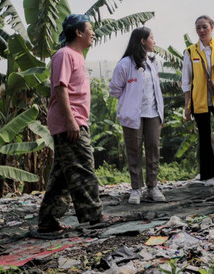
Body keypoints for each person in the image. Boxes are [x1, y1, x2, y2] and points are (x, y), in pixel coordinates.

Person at [37, 14, 110, 234]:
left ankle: (48, 221)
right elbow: (60, 88)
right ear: (78, 32)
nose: (93, 33)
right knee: (83, 167)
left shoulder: (76, 56)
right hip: (69, 121)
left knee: (62, 175)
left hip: (75, 120)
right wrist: (71, 121)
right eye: (90, 29)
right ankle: (94, 215)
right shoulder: (64, 54)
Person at [110, 27, 166, 204]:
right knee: (134, 151)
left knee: (153, 150)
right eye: (152, 38)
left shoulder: (152, 63)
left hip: (152, 113)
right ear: (142, 41)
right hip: (132, 115)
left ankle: (153, 187)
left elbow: (156, 90)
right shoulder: (125, 64)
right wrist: (129, 103)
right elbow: (115, 90)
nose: (154, 42)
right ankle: (136, 189)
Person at [181, 15, 214, 185]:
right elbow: (186, 80)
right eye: (198, 28)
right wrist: (187, 106)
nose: (201, 31)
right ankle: (209, 176)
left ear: (212, 27)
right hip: (199, 100)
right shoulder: (190, 51)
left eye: (204, 27)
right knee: (204, 138)